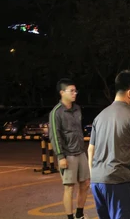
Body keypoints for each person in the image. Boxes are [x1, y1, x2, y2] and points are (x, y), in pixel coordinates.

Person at [87, 70, 130, 219]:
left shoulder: (99, 117)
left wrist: (94, 176)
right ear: (129, 93)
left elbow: (91, 150)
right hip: (119, 181)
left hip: (97, 181)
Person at [49, 78, 90, 219]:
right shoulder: (56, 112)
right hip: (68, 154)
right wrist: (60, 157)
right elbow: (55, 135)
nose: (75, 93)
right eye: (71, 91)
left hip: (80, 151)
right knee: (69, 187)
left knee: (85, 184)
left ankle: (80, 214)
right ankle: (70, 217)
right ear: (62, 92)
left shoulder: (77, 109)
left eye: (75, 91)